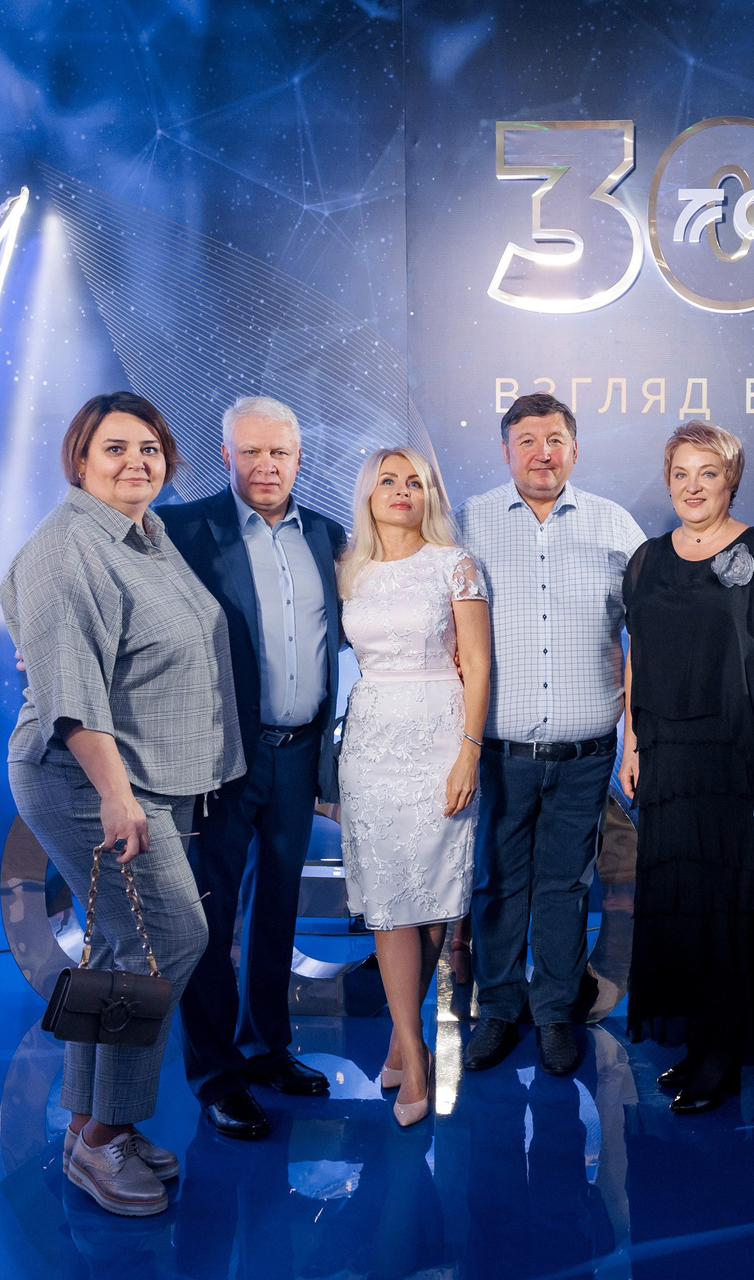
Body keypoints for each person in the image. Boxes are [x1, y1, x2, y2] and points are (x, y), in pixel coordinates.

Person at [1, 392, 244, 1216]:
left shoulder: (145, 534)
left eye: (150, 447)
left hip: (143, 773)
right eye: (115, 448)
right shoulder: (68, 546)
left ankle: (85, 1128)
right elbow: (71, 693)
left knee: (116, 946)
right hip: (87, 777)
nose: (137, 461)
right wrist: (115, 795)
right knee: (170, 935)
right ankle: (108, 1137)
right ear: (80, 460)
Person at [155, 396, 346, 1141]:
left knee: (278, 908)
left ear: (299, 458)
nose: (267, 466)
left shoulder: (326, 534)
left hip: (298, 751)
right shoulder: (179, 529)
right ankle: (216, 1074)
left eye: (281, 453)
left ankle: (268, 1047)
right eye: (252, 452)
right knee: (209, 914)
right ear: (226, 454)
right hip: (220, 755)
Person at [616, 421, 754, 1114]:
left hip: (735, 753)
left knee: (726, 905)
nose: (692, 487)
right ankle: (700, 1043)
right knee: (679, 904)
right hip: (666, 753)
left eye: (708, 473)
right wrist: (632, 742)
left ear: (732, 479)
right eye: (681, 474)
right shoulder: (646, 560)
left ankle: (723, 1054)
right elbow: (637, 658)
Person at [453, 392, 647, 1077]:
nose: (543, 453)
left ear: (575, 449)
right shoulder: (466, 522)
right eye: (528, 441)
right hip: (498, 750)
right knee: (497, 884)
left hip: (586, 753)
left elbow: (649, 633)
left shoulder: (614, 524)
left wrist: (634, 735)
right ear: (506, 451)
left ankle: (556, 1012)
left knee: (567, 886)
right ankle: (497, 1010)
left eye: (556, 440)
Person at [337, 446, 492, 1126]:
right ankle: (413, 1048)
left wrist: (468, 754)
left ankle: (405, 1045)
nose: (403, 491)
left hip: (441, 736)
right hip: (371, 739)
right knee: (389, 903)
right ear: (368, 493)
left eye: (416, 482)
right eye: (389, 481)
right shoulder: (348, 568)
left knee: (432, 901)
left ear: (430, 494)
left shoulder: (455, 564)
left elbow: (478, 664)